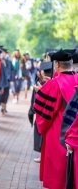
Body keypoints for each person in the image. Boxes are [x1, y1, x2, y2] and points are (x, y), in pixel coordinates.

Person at [33, 49, 77, 189]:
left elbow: (43, 111)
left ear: (57, 65)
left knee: (57, 174)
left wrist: (40, 92)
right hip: (75, 132)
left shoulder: (54, 84)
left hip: (57, 132)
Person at [28, 61, 52, 163]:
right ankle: (42, 155)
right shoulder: (43, 81)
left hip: (44, 114)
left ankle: (43, 155)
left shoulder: (47, 83)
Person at [0, 46, 13, 114]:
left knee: (5, 95)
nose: (3, 54)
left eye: (3, 53)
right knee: (0, 95)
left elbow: (10, 71)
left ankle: (4, 107)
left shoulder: (8, 61)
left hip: (6, 80)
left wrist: (9, 79)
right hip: (0, 81)